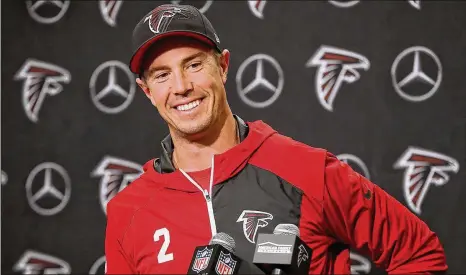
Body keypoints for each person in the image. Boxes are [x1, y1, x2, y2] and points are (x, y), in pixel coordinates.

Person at [105, 3, 447, 274]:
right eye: (162, 75)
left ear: (223, 67)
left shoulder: (307, 170)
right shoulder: (129, 211)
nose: (181, 87)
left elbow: (419, 253)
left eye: (194, 65)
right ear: (147, 90)